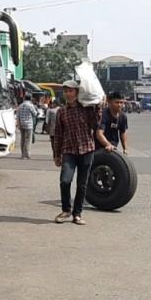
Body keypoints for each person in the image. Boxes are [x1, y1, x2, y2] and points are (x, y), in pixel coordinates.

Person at [52, 80, 100, 226]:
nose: (68, 93)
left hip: (86, 149)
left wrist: (98, 108)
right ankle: (66, 210)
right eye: (66, 91)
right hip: (69, 150)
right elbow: (58, 134)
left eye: (71, 91)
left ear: (77, 93)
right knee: (65, 181)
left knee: (82, 184)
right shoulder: (61, 112)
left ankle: (77, 214)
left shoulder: (87, 109)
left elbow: (95, 124)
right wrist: (56, 154)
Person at [95, 91, 129, 156]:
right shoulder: (103, 114)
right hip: (98, 147)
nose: (119, 105)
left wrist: (125, 149)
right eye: (116, 102)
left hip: (113, 147)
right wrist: (108, 144)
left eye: (121, 102)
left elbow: (123, 133)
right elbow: (99, 134)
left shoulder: (123, 116)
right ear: (109, 102)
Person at [16, 94, 38, 159]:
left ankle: (22, 154)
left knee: (22, 139)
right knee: (28, 140)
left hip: (21, 124)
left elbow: (17, 115)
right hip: (28, 125)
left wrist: (18, 123)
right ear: (30, 98)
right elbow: (35, 113)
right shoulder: (30, 105)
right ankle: (27, 154)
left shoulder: (20, 106)